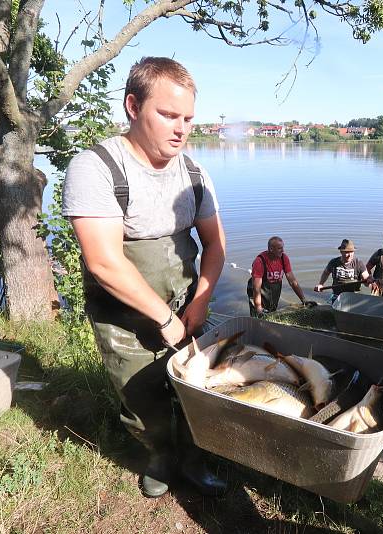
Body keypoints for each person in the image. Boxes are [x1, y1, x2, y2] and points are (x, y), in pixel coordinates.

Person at [63, 57, 227, 499]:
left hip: (186, 303)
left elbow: (215, 246)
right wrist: (161, 317)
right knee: (141, 397)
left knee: (197, 388)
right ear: (133, 106)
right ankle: (160, 456)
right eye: (168, 115)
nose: (181, 129)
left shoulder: (194, 174)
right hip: (123, 315)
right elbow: (104, 263)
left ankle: (194, 456)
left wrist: (200, 303)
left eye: (188, 118)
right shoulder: (95, 167)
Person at [247, 236, 313, 316]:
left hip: (274, 290)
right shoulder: (259, 262)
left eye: (282, 248)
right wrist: (258, 308)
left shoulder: (283, 258)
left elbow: (292, 282)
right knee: (257, 317)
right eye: (279, 248)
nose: (283, 250)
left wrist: (303, 300)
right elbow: (256, 289)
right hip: (260, 290)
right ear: (271, 249)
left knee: (272, 313)